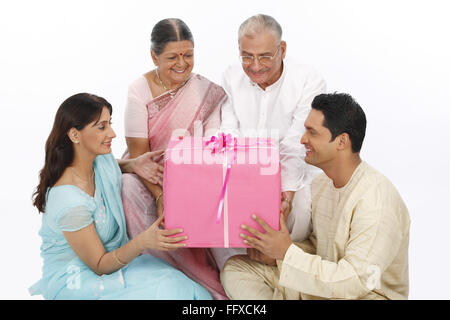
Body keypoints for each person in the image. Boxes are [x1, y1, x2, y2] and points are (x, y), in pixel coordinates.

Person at [221, 93, 410, 300]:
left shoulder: (376, 201)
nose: (303, 139)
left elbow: (355, 281)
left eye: (312, 132)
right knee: (237, 269)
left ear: (342, 141)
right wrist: (275, 254)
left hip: (363, 294)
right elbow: (318, 248)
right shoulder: (322, 184)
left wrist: (286, 253)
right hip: (327, 287)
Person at [29, 93, 212, 300]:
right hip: (79, 280)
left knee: (193, 292)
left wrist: (133, 164)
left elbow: (109, 166)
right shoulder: (70, 203)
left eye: (110, 124)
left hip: (116, 264)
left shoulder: (98, 160)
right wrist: (143, 241)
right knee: (171, 293)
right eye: (102, 127)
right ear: (74, 135)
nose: (113, 133)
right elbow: (99, 265)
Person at [121, 18, 228, 299]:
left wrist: (184, 185)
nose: (182, 63)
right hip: (148, 176)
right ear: (154, 56)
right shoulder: (139, 90)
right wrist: (160, 196)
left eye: (188, 55)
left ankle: (204, 279)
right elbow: (138, 157)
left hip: (193, 174)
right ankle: (161, 272)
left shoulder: (207, 93)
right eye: (172, 57)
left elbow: (211, 147)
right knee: (128, 188)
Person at [217, 14, 327, 271]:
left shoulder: (309, 81)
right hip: (245, 171)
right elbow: (229, 133)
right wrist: (245, 183)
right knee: (222, 211)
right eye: (247, 56)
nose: (255, 66)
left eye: (265, 56)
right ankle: (243, 269)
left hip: (294, 174)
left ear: (283, 49)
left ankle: (287, 268)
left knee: (299, 210)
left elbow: (297, 144)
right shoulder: (231, 76)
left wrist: (284, 197)